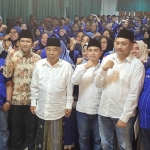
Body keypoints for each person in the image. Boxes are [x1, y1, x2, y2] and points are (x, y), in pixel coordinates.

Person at [94, 29, 145, 150]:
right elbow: (98, 84)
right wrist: (103, 70)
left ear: (131, 45)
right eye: (117, 43)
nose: (119, 47)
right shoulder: (108, 59)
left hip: (122, 113)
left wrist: (124, 118)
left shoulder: (136, 65)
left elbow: (134, 94)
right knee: (106, 144)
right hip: (104, 111)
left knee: (125, 146)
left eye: (124, 43)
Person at [30, 37, 74, 150]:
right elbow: (34, 86)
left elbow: (69, 88)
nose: (51, 52)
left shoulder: (66, 66)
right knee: (40, 137)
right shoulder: (39, 65)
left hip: (58, 108)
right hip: (42, 106)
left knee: (56, 139)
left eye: (54, 50)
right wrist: (33, 102)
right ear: (45, 50)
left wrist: (69, 105)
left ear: (60, 51)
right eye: (48, 49)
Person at [3, 30, 41, 150]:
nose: (25, 44)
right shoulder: (13, 56)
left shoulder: (38, 59)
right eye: (23, 41)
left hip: (32, 101)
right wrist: (8, 56)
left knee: (31, 131)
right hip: (16, 100)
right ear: (19, 42)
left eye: (28, 41)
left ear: (32, 43)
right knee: (16, 132)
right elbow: (6, 74)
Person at [72, 39, 102, 150]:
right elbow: (74, 81)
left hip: (99, 109)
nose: (93, 53)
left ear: (100, 52)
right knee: (83, 138)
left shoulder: (104, 68)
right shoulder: (80, 67)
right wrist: (85, 67)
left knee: (98, 139)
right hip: (82, 109)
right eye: (90, 50)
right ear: (86, 52)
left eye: (95, 50)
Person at [0, 53, 12, 150]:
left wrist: (8, 101)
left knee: (3, 130)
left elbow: (9, 84)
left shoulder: (3, 63)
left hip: (2, 103)